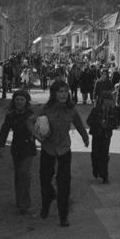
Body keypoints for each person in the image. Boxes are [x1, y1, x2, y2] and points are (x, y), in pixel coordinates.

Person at [33, 82, 89, 224]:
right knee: (45, 180)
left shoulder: (71, 109)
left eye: (66, 91)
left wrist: (85, 138)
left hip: (64, 149)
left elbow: (79, 125)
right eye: (60, 91)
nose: (64, 94)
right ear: (54, 94)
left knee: (64, 182)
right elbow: (30, 121)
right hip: (48, 149)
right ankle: (47, 203)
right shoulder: (46, 109)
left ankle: (63, 216)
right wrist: (37, 136)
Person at [0, 89, 37, 215]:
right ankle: (19, 200)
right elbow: (4, 131)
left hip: (29, 148)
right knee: (18, 174)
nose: (19, 102)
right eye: (17, 99)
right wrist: (1, 146)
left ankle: (24, 202)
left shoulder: (32, 115)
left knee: (24, 173)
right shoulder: (11, 116)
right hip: (16, 149)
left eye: (22, 99)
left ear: (26, 101)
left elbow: (41, 128)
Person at [87, 90, 120, 184]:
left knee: (104, 156)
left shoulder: (113, 112)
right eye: (107, 100)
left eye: (111, 100)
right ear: (102, 100)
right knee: (95, 154)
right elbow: (89, 121)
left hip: (106, 136)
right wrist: (99, 124)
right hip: (96, 135)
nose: (109, 102)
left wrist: (108, 126)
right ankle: (95, 167)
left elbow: (115, 124)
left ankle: (104, 175)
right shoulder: (95, 110)